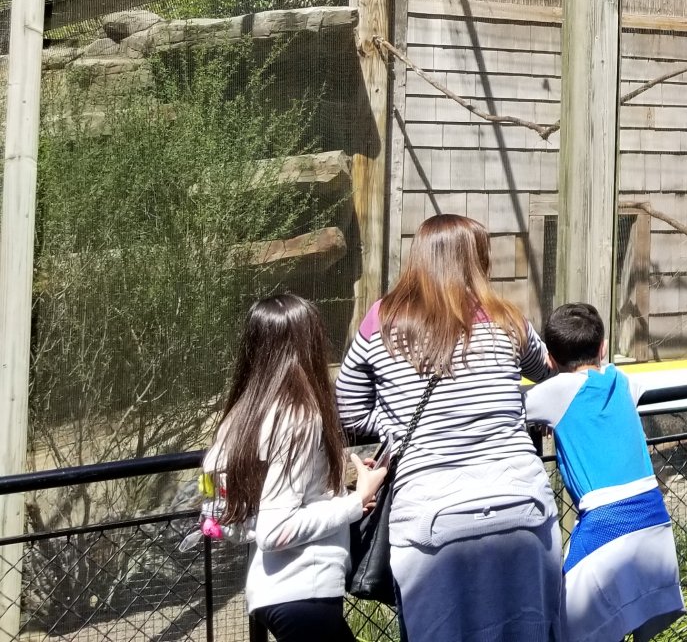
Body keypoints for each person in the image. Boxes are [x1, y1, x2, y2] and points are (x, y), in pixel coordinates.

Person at [335, 214, 564, 641]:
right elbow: (547, 371)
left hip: (431, 517)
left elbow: (346, 411)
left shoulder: (381, 322)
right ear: (476, 260)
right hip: (523, 504)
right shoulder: (506, 318)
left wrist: (391, 423)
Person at [203, 294, 389, 642]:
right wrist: (354, 502)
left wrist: (338, 486)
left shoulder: (241, 416)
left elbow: (222, 513)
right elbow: (277, 529)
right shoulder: (299, 418)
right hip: (304, 590)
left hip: (277, 593)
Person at [524, 303, 684, 642]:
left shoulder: (554, 390)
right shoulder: (621, 379)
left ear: (550, 360)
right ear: (604, 348)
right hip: (654, 518)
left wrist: (544, 420)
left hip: (608, 522)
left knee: (560, 626)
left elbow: (514, 407)